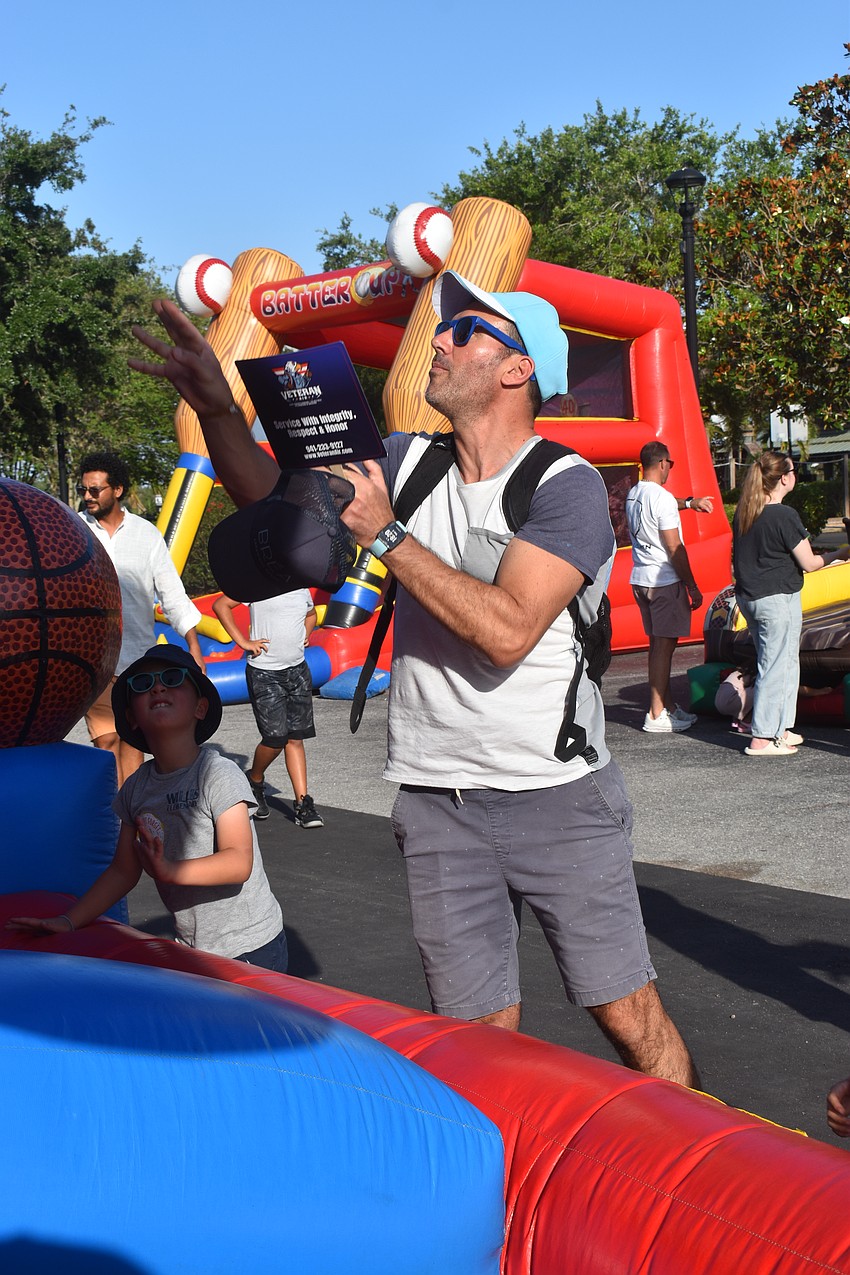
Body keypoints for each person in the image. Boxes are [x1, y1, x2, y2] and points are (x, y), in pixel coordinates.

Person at [128, 284, 699, 1086]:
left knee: (626, 1013)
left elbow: (504, 632)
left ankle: (708, 1163)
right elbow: (270, 493)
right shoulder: (405, 458)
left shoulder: (562, 483)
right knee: (473, 1038)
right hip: (436, 801)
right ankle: (498, 1194)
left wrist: (387, 534)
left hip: (555, 794)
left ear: (518, 368)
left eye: (464, 331)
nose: (437, 340)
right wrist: (222, 411)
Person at [7, 644, 287, 970]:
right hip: (196, 946)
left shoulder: (218, 773)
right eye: (142, 685)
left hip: (251, 944)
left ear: (200, 707)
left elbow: (238, 862)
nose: (157, 687)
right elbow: (122, 871)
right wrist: (69, 921)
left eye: (172, 678)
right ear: (131, 718)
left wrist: (171, 871)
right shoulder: (137, 788)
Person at [77, 451, 205, 786]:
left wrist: (194, 646)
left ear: (116, 490)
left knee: (134, 742)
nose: (87, 496)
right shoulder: (76, 531)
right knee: (105, 741)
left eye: (95, 490)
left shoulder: (146, 534)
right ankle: (112, 817)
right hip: (95, 658)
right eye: (85, 490)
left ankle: (128, 822)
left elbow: (171, 593)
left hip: (137, 659)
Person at [733, 451, 849, 756]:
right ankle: (762, 737)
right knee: (777, 667)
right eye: (794, 471)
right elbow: (810, 563)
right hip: (777, 599)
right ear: (784, 478)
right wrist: (840, 554)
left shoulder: (746, 511)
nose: (796, 475)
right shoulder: (784, 516)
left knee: (779, 663)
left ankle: (781, 729)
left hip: (750, 598)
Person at [211, 589, 324, 827]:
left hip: (298, 671)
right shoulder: (257, 584)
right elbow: (221, 605)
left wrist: (307, 633)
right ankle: (255, 778)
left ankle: (303, 804)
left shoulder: (301, 587)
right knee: (274, 739)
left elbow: (311, 614)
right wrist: (243, 641)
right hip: (264, 672)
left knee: (295, 737)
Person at [626, 441, 713, 733]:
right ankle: (655, 713)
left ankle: (668, 707)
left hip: (640, 579)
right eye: (670, 464)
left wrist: (689, 502)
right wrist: (692, 586)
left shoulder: (634, 493)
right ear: (663, 462)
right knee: (664, 649)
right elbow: (674, 546)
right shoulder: (660, 498)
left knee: (657, 647)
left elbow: (663, 503)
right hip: (664, 581)